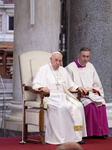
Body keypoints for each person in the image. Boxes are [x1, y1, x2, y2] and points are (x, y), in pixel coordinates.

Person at [32, 51, 87, 145]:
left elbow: (70, 84)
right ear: (51, 59)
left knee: (78, 106)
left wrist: (78, 87)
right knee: (61, 108)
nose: (57, 63)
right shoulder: (43, 70)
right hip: (49, 97)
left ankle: (76, 137)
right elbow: (35, 84)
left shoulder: (63, 70)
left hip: (63, 97)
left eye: (60, 61)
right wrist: (42, 87)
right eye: (56, 60)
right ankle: (60, 138)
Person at [66, 47, 109, 139]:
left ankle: (100, 133)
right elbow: (68, 84)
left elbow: (97, 83)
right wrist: (79, 91)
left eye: (87, 57)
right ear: (79, 56)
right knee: (90, 106)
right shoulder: (70, 68)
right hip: (78, 95)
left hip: (90, 94)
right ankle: (88, 133)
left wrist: (96, 92)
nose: (85, 59)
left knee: (101, 103)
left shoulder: (90, 66)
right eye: (83, 56)